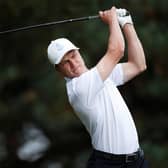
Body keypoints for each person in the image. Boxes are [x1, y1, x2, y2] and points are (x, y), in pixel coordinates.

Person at [47, 6, 148, 168]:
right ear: (59, 70)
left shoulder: (99, 77)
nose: (73, 63)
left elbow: (138, 65)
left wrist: (127, 23)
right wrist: (113, 20)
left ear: (79, 52)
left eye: (73, 56)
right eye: (66, 62)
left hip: (137, 161)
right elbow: (117, 51)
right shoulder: (79, 88)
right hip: (110, 164)